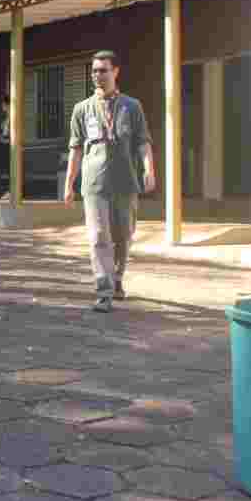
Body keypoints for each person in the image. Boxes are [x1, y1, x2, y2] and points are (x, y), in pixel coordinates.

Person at [64, 49, 156, 313]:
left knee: (123, 236)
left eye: (103, 70)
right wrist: (69, 185)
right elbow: (76, 149)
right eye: (94, 71)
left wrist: (149, 170)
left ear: (115, 72)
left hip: (125, 182)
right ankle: (103, 291)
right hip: (94, 185)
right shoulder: (82, 109)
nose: (98, 75)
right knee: (98, 236)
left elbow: (143, 142)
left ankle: (117, 278)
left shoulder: (132, 106)